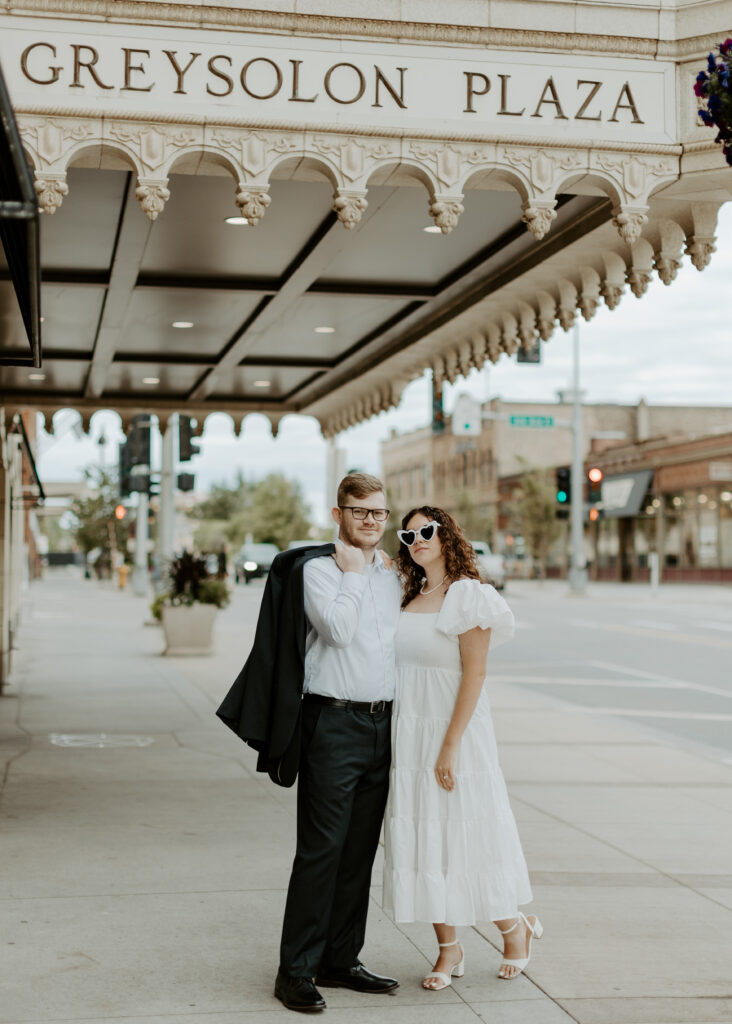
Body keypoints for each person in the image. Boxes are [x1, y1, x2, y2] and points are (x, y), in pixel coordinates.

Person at [382, 506, 542, 990]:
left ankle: (515, 930)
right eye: (408, 534)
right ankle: (448, 949)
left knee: (469, 838)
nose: (416, 539)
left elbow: (474, 674)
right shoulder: (408, 594)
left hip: (455, 733)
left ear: (447, 535)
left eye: (426, 531)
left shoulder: (468, 596)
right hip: (409, 734)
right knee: (426, 842)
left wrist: (449, 746)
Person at [275, 473, 402, 1013]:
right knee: (322, 851)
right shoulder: (320, 572)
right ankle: (295, 971)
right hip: (332, 724)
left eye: (378, 512)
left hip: (383, 726)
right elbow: (338, 633)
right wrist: (353, 577)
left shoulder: (395, 576)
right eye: (359, 512)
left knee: (358, 853)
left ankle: (341, 959)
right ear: (338, 514)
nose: (370, 521)